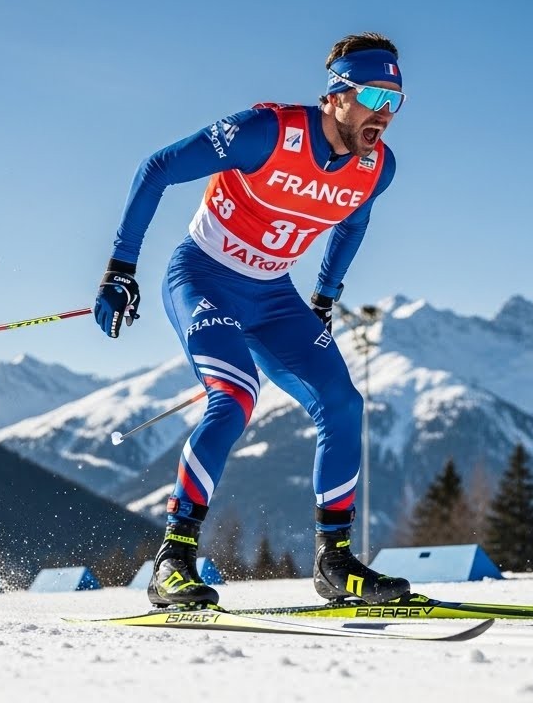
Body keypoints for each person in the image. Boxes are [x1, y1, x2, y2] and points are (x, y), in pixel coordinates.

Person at [94, 32, 410, 608]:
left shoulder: (375, 168)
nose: (385, 115)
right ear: (337, 96)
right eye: (374, 97)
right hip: (203, 276)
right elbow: (159, 167)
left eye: (396, 101)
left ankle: (334, 562)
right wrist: (120, 267)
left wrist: (324, 295)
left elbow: (352, 223)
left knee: (343, 405)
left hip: (273, 295)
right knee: (235, 397)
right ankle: (173, 561)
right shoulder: (266, 131)